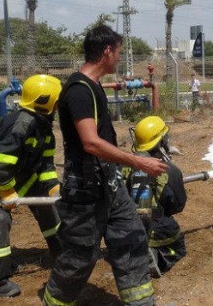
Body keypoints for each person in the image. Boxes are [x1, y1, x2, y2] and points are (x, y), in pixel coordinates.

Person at [42, 25, 168, 306]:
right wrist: (139, 162)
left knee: (132, 239)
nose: (119, 59)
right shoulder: (78, 90)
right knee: (80, 257)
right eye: (119, 53)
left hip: (109, 184)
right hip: (85, 191)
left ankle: (141, 303)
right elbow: (91, 143)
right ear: (107, 51)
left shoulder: (94, 86)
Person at [0, 74, 63, 298]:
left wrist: (53, 187)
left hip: (27, 181)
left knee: (50, 211)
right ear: (46, 102)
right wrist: (6, 193)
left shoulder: (44, 127)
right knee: (1, 221)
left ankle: (62, 254)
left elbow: (46, 163)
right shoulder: (20, 124)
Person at [123, 116, 187, 278]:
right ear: (160, 142)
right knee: (177, 248)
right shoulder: (169, 171)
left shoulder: (123, 164)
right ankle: (159, 256)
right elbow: (177, 206)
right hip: (156, 230)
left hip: (125, 228)